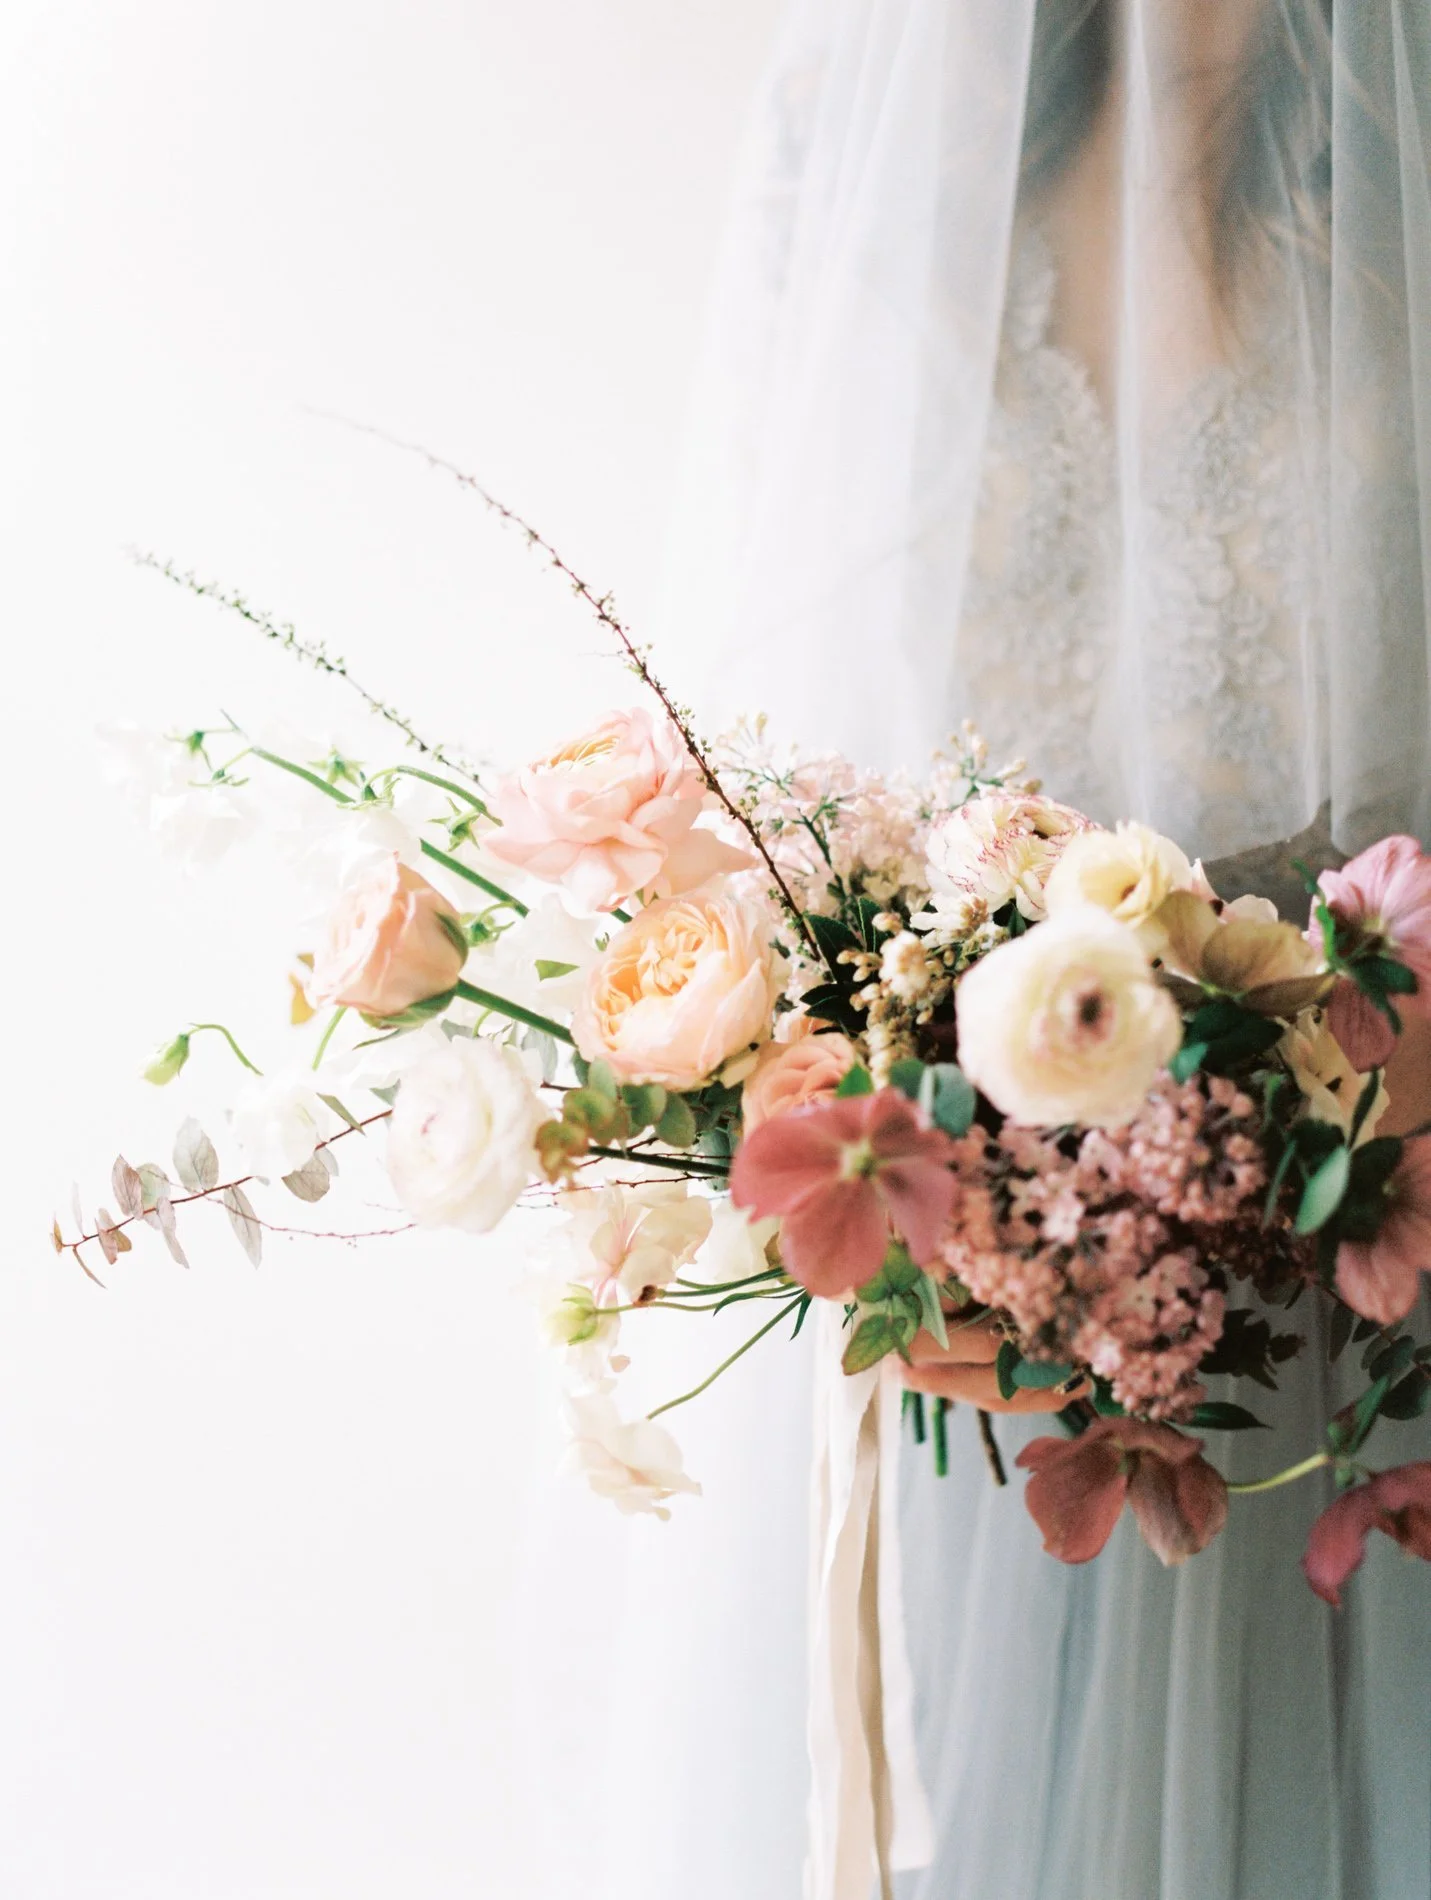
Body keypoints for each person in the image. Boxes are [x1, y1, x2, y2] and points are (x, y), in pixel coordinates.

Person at [660, 3, 1431, 1895]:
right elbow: (779, 736)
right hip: (980, 1226)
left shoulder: (1394, 158)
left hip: (1363, 1196)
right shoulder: (868, 147)